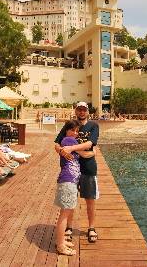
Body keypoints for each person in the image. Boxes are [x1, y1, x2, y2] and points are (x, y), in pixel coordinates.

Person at [55, 102, 99, 243]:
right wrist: (61, 150)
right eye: (79, 110)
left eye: (84, 110)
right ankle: (69, 227)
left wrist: (71, 148)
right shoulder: (70, 125)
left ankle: (91, 228)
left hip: (88, 168)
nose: (81, 112)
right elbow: (57, 143)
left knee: (90, 200)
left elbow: (90, 144)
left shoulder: (93, 126)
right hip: (70, 170)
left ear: (87, 112)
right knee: (70, 201)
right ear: (75, 111)